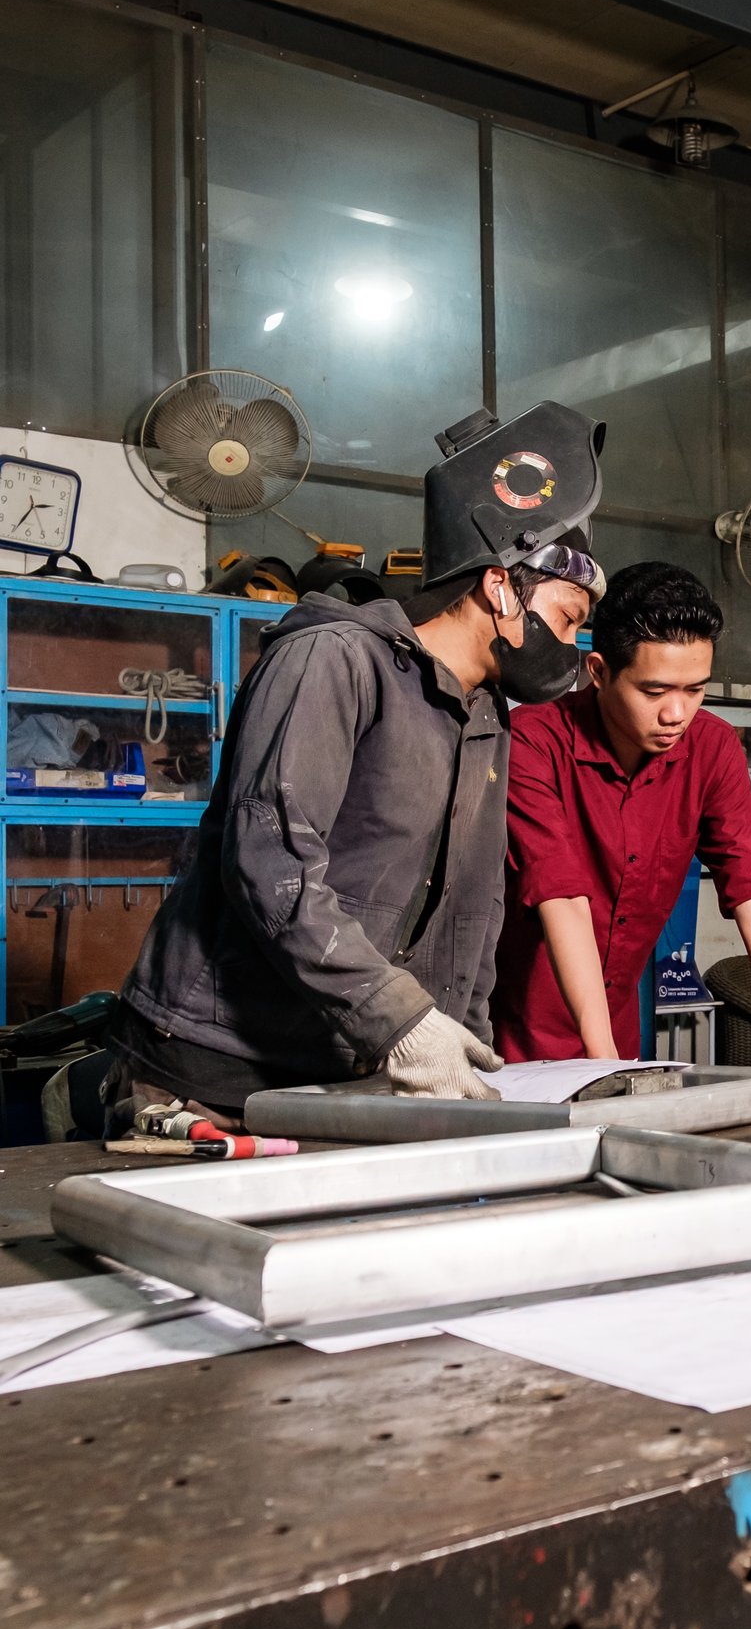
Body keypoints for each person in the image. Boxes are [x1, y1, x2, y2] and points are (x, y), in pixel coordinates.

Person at [110, 403, 605, 1121]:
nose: (572, 644)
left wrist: (463, 1046)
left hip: (339, 1067)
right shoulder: (333, 660)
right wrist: (398, 1020)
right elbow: (268, 862)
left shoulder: (485, 718)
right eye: (567, 618)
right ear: (502, 587)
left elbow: (472, 909)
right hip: (210, 1063)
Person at [491, 560, 751, 1071]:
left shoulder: (713, 748)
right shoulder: (533, 741)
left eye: (695, 689)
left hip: (619, 1040)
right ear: (598, 673)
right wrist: (603, 1067)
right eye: (654, 691)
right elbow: (562, 897)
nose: (676, 714)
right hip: (506, 1043)